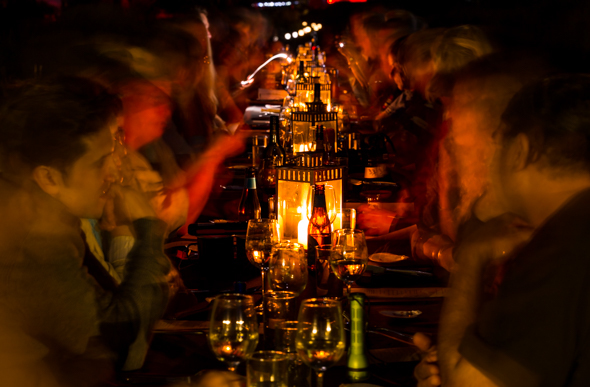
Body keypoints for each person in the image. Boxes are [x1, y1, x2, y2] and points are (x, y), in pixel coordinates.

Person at [415, 74, 590, 386]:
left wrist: (469, 258)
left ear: (519, 151)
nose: (485, 158)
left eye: (494, 143)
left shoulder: (564, 245)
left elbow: (469, 383)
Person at [0, 77, 171, 386]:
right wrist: (147, 226)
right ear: (49, 178)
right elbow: (126, 344)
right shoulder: (31, 245)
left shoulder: (50, 217)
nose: (116, 171)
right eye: (101, 162)